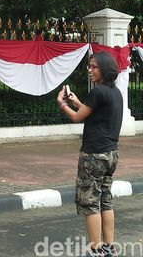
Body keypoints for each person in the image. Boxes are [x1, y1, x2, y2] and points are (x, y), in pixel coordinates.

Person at [56, 51, 122, 257]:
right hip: (110, 155)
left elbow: (77, 118)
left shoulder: (97, 92)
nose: (90, 70)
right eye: (89, 66)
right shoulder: (115, 92)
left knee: (90, 201)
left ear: (104, 69)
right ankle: (109, 247)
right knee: (106, 200)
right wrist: (76, 101)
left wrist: (62, 104)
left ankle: (95, 249)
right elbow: (92, 113)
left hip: (93, 155)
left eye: (94, 67)